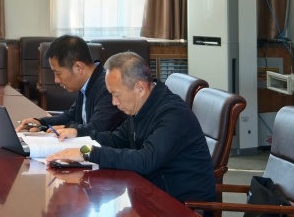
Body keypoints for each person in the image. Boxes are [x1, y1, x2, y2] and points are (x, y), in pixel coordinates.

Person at [46, 52, 216, 206]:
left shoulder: (173, 115)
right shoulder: (143, 104)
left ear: (140, 88)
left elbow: (145, 160)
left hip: (184, 213)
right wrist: (78, 134)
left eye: (117, 94)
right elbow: (118, 139)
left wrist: (87, 152)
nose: (113, 102)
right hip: (152, 199)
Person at [17, 35, 120, 137]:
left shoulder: (107, 87)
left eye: (58, 73)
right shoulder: (88, 82)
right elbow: (71, 115)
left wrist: (68, 127)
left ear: (78, 67)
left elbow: (96, 129)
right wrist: (41, 122)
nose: (56, 80)